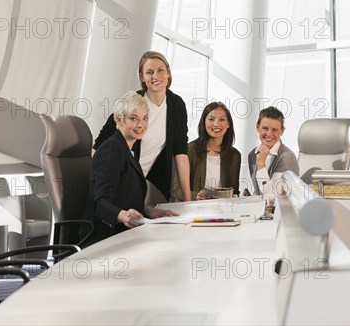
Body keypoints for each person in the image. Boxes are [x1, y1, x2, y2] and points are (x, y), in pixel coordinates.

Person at [94, 51, 191, 204]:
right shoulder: (132, 103)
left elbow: (181, 155)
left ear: (168, 73)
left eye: (160, 70)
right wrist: (99, 189)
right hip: (122, 184)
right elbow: (98, 148)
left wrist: (188, 202)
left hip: (152, 186)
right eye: (149, 72)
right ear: (141, 77)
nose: (155, 76)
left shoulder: (176, 105)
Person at [85, 92, 177, 245]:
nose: (141, 125)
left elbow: (124, 197)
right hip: (106, 238)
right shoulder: (111, 150)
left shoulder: (128, 149)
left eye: (145, 118)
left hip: (124, 233)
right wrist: (123, 216)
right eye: (134, 118)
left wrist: (148, 211)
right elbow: (100, 202)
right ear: (119, 120)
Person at [173, 102, 241, 201]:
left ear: (228, 124)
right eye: (211, 119)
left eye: (221, 119)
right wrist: (195, 195)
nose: (216, 124)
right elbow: (177, 190)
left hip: (222, 211)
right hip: (194, 210)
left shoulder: (234, 155)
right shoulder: (190, 150)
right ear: (204, 123)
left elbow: (234, 191)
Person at [247, 106, 299, 197]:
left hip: (281, 209)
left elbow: (273, 195)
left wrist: (261, 163)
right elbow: (259, 191)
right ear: (257, 127)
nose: (269, 134)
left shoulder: (287, 157)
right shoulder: (252, 154)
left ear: (282, 131)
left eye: (275, 130)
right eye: (265, 128)